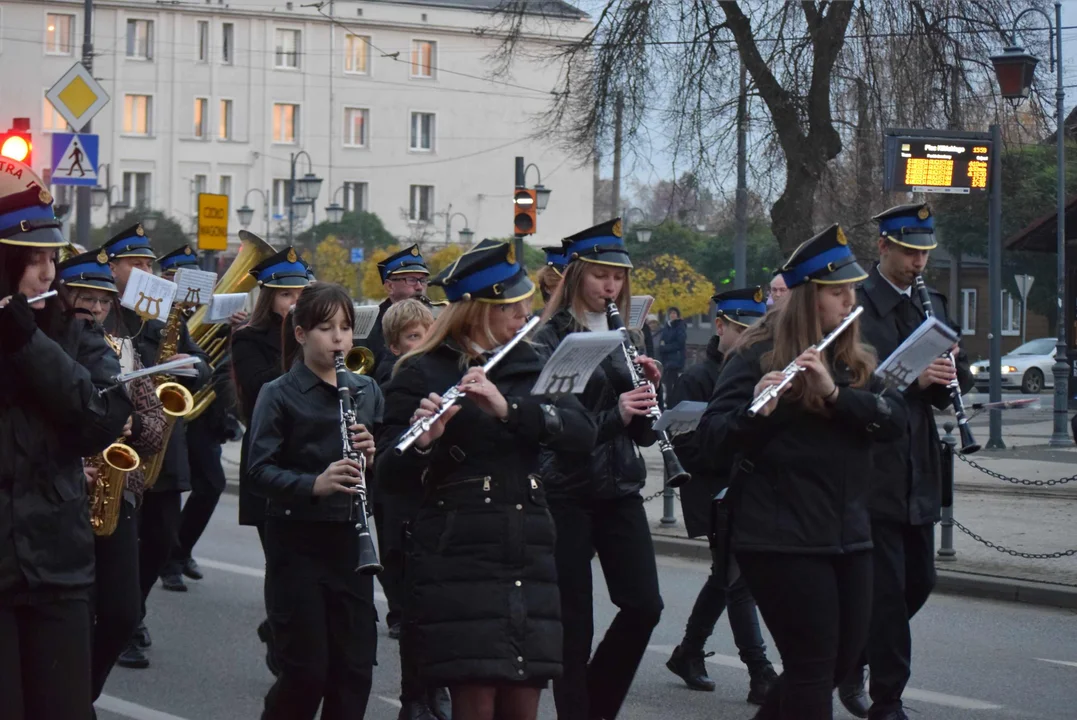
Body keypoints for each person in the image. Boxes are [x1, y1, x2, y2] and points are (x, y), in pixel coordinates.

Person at [376, 239, 596, 720]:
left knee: (523, 701)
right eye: (511, 309)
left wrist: (509, 409)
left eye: (524, 306)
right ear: (475, 311)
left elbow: (581, 434)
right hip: (460, 547)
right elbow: (388, 475)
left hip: (530, 545)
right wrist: (426, 441)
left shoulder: (534, 362)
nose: (524, 317)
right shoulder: (419, 370)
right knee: (475, 698)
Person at [696, 224, 907, 720]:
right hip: (779, 534)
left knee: (838, 663)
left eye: (851, 290)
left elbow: (893, 418)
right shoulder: (756, 352)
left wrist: (834, 396)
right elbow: (708, 442)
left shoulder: (853, 358)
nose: (848, 300)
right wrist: (757, 412)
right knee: (811, 666)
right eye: (838, 293)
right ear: (810, 298)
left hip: (850, 531)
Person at [0, 165, 133, 719]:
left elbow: (102, 415)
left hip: (57, 566)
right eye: (33, 261)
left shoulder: (72, 332)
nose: (47, 273)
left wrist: (28, 343)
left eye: (51, 259)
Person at [839, 204, 973, 720]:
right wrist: (908, 381)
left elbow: (941, 393)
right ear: (885, 248)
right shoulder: (856, 306)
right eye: (910, 252)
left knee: (921, 581)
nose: (918, 263)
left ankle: (855, 657)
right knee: (889, 593)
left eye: (923, 254)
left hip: (919, 458)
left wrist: (953, 373)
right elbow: (849, 382)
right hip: (874, 462)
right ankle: (887, 700)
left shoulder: (931, 304)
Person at [534, 218, 664, 720]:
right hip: (565, 490)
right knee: (574, 622)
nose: (611, 287)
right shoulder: (548, 339)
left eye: (617, 278)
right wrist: (617, 415)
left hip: (618, 487)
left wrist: (653, 393)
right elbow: (552, 426)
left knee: (644, 606)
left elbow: (645, 434)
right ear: (575, 276)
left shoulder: (627, 334)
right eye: (600, 276)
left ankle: (595, 704)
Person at [248, 282, 383, 719]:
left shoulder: (367, 391)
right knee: (307, 673)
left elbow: (383, 477)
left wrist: (373, 458)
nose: (340, 338)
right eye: (326, 328)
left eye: (345, 327)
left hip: (350, 542)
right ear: (302, 334)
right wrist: (314, 484)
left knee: (354, 671)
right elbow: (257, 471)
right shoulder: (279, 393)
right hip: (297, 543)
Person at [101, 225, 211, 669]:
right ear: (114, 268)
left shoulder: (165, 314)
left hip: (164, 446)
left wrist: (182, 366)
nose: (148, 272)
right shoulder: (102, 310)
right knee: (120, 542)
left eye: (149, 264)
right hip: (122, 442)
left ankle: (135, 611)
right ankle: (122, 622)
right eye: (137, 265)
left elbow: (200, 366)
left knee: (162, 539)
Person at [56, 247, 167, 689]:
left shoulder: (124, 353)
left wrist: (131, 422)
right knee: (69, 615)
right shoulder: (46, 350)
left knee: (122, 613)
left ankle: (85, 693)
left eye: (103, 302)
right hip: (63, 495)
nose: (96, 310)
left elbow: (156, 426)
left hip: (115, 495)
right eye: (86, 299)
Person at [665, 287, 777, 704]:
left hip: (749, 488)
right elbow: (686, 445)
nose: (748, 339)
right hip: (711, 490)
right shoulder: (696, 378)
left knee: (724, 577)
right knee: (736, 576)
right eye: (739, 329)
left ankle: (689, 651)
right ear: (720, 327)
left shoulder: (757, 367)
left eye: (755, 330)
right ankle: (759, 669)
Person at [230, 244, 311, 676]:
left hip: (313, 458)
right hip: (269, 458)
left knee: (308, 565)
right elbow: (262, 389)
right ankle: (282, 644)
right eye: (286, 296)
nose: (295, 303)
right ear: (269, 298)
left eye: (301, 294)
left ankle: (283, 629)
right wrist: (299, 347)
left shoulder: (317, 336)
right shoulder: (248, 338)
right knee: (280, 562)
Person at [372, 298, 449, 720]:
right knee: (415, 611)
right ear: (396, 346)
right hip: (401, 505)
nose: (424, 343)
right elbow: (392, 455)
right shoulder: (397, 377)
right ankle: (415, 695)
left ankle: (436, 687)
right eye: (414, 337)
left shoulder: (433, 372)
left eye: (429, 333)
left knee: (437, 611)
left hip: (430, 500)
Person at [154, 243, 216, 592]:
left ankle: (176, 553)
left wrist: (194, 365)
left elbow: (206, 363)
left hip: (185, 420)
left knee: (205, 487)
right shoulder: (152, 315)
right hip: (143, 425)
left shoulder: (186, 319)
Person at [358, 245, 430, 366]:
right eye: (411, 280)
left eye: (423, 280)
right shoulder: (368, 323)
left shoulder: (437, 317)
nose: (419, 287)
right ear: (389, 286)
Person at [658, 306, 686, 394]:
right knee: (670, 381)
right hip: (667, 359)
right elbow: (662, 340)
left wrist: (666, 347)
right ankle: (673, 399)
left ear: (677, 315)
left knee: (672, 381)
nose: (672, 315)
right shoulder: (667, 326)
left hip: (675, 359)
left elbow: (680, 343)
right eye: (671, 313)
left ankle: (672, 401)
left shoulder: (680, 326)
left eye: (674, 313)